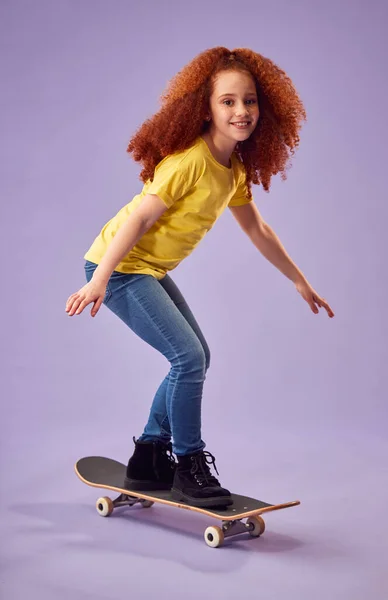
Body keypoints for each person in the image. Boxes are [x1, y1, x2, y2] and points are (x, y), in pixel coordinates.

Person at [65, 47, 335, 509]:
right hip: (120, 266)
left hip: (146, 269)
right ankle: (188, 464)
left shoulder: (235, 168)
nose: (241, 111)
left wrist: (298, 279)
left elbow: (256, 227)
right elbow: (138, 220)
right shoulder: (189, 159)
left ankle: (150, 454)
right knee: (188, 358)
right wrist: (100, 280)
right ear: (205, 109)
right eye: (227, 101)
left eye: (249, 101)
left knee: (196, 357)